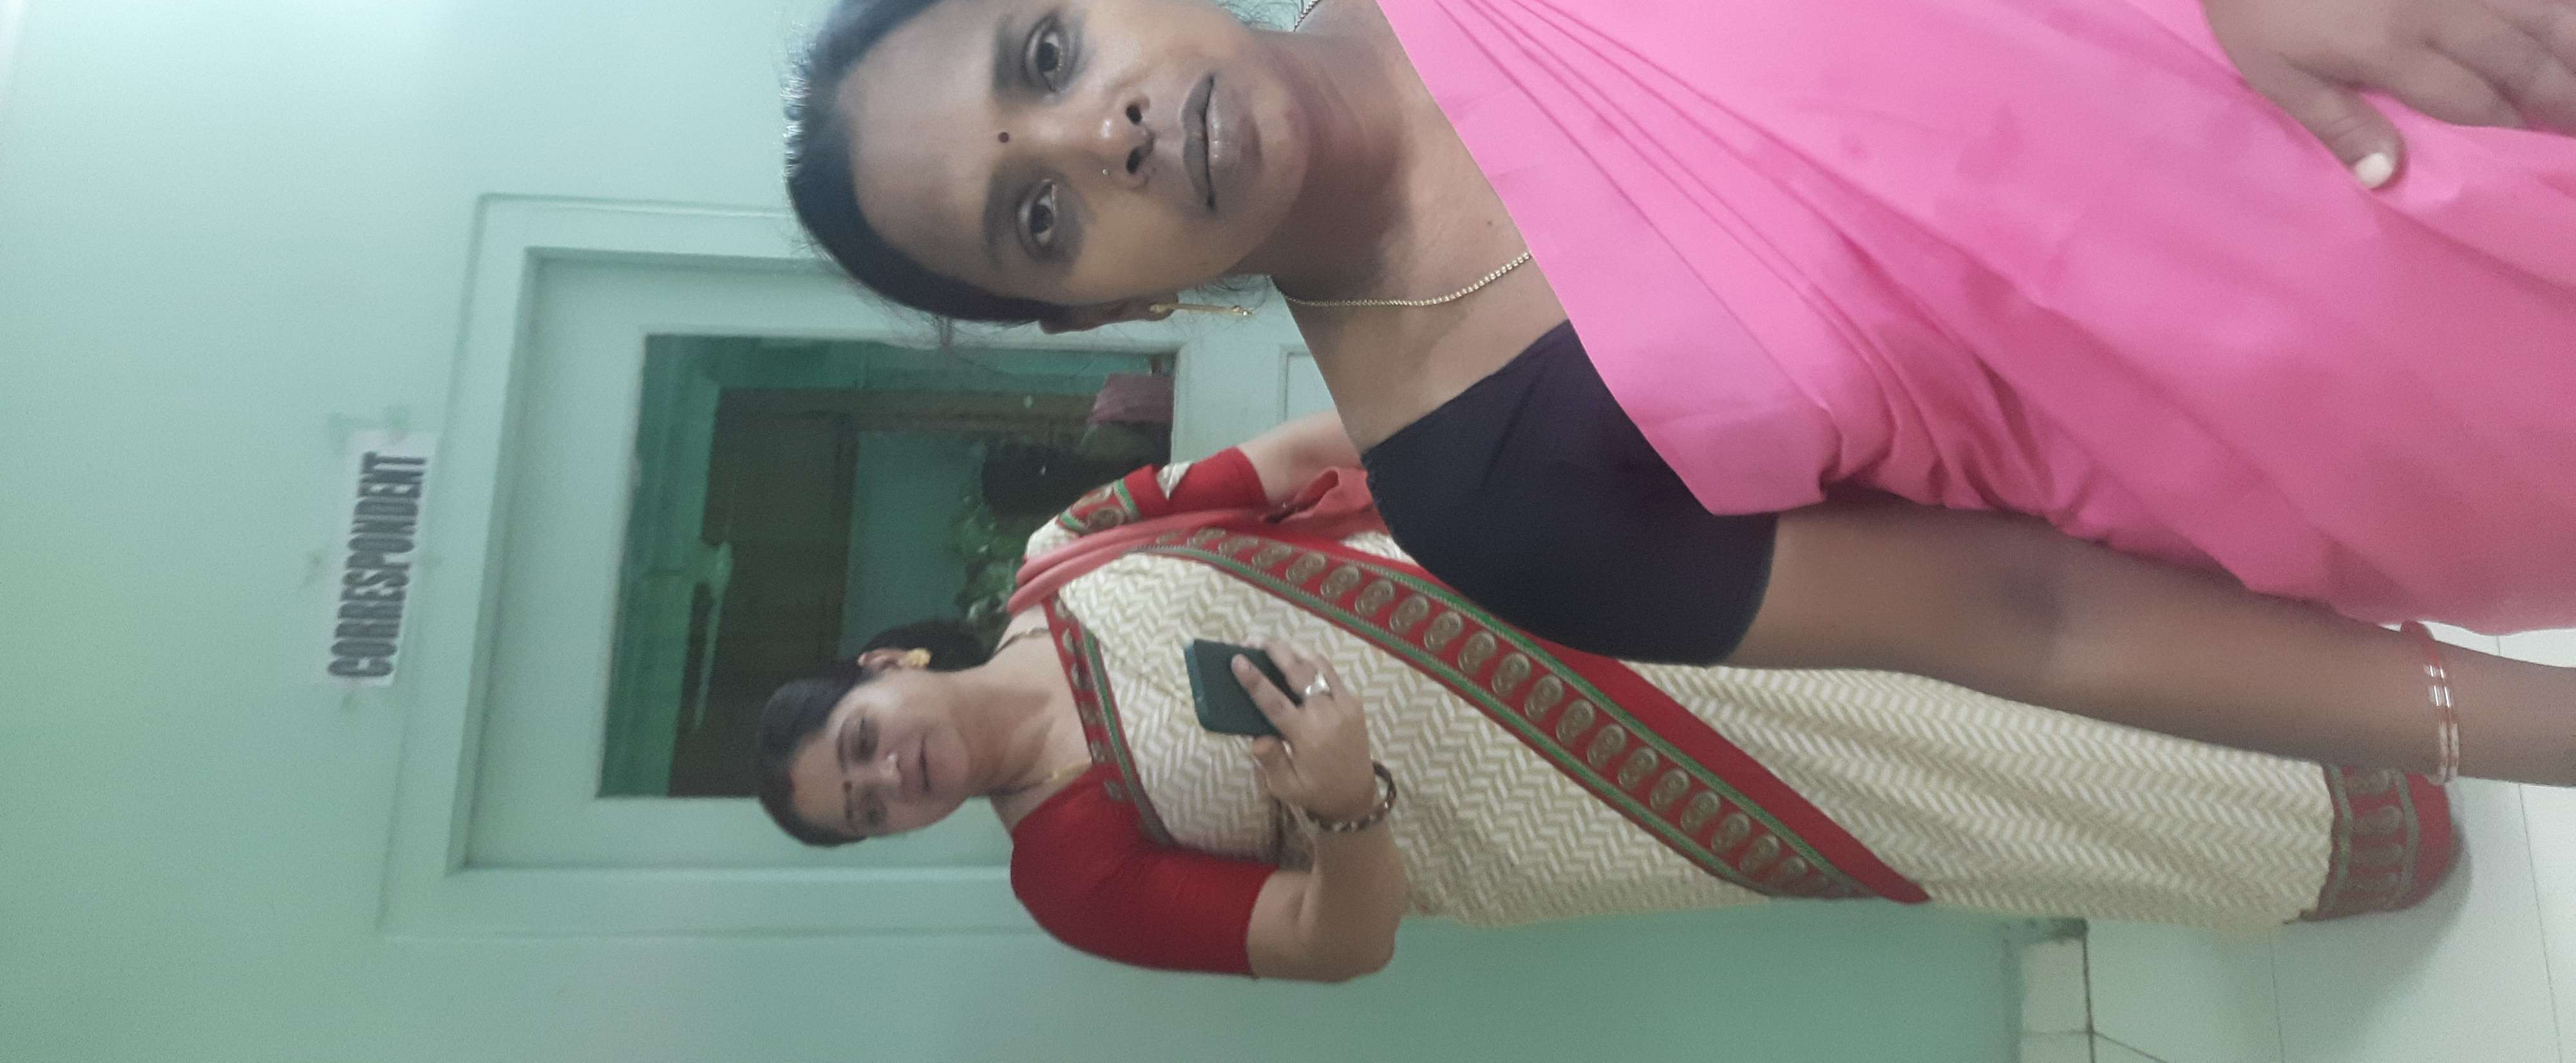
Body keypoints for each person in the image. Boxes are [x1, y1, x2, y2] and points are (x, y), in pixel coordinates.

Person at [780, 0, 2576, 789]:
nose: (1099, 136)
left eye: (1047, 53)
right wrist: (2533, 737)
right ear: (1091, 319)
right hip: (2458, 437)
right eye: (1035, 217)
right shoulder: (1491, 491)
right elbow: (2037, 622)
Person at [752, 415, 2452, 979]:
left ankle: (2312, 639)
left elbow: (1297, 459)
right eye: (866, 811)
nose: (890, 778)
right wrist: (1339, 800)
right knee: (1930, 792)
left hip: (1581, 582)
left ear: (883, 673)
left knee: (1940, 603)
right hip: (1579, 806)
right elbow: (1336, 946)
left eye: (857, 746)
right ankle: (2333, 813)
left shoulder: (1071, 549)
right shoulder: (1068, 878)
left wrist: (1529, 445)